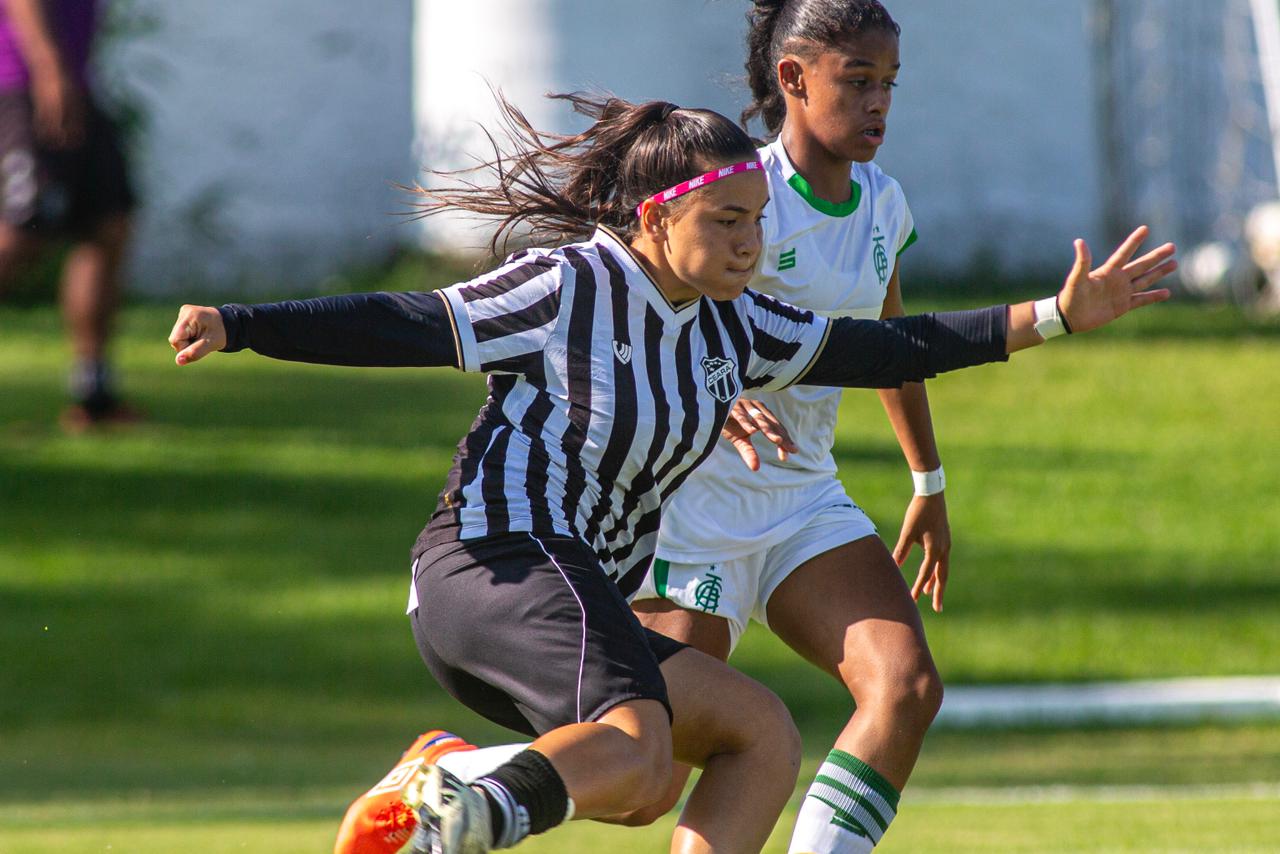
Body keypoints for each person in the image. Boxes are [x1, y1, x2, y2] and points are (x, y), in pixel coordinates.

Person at [168, 91, 1174, 854]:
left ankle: (449, 773)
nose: (749, 243)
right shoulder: (570, 284)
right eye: (726, 223)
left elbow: (886, 350)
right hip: (498, 562)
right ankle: (454, 814)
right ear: (653, 217)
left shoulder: (733, 325)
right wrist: (242, 325)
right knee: (638, 741)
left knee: (750, 736)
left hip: (574, 594)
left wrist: (1050, 316)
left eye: (754, 221)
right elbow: (408, 321)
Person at [625, 2, 954, 851]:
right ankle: (459, 779)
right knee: (642, 767)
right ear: (793, 79)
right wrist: (714, 386)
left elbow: (891, 347)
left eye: (889, 83)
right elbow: (649, 299)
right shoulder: (738, 193)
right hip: (692, 510)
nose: (879, 103)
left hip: (803, 500)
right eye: (857, 80)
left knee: (905, 686)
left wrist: (928, 479)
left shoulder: (884, 204)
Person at [0, 0, 137, 429]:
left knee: (107, 226)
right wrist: (49, 68)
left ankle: (94, 394)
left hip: (75, 85)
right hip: (25, 86)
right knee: (23, 234)